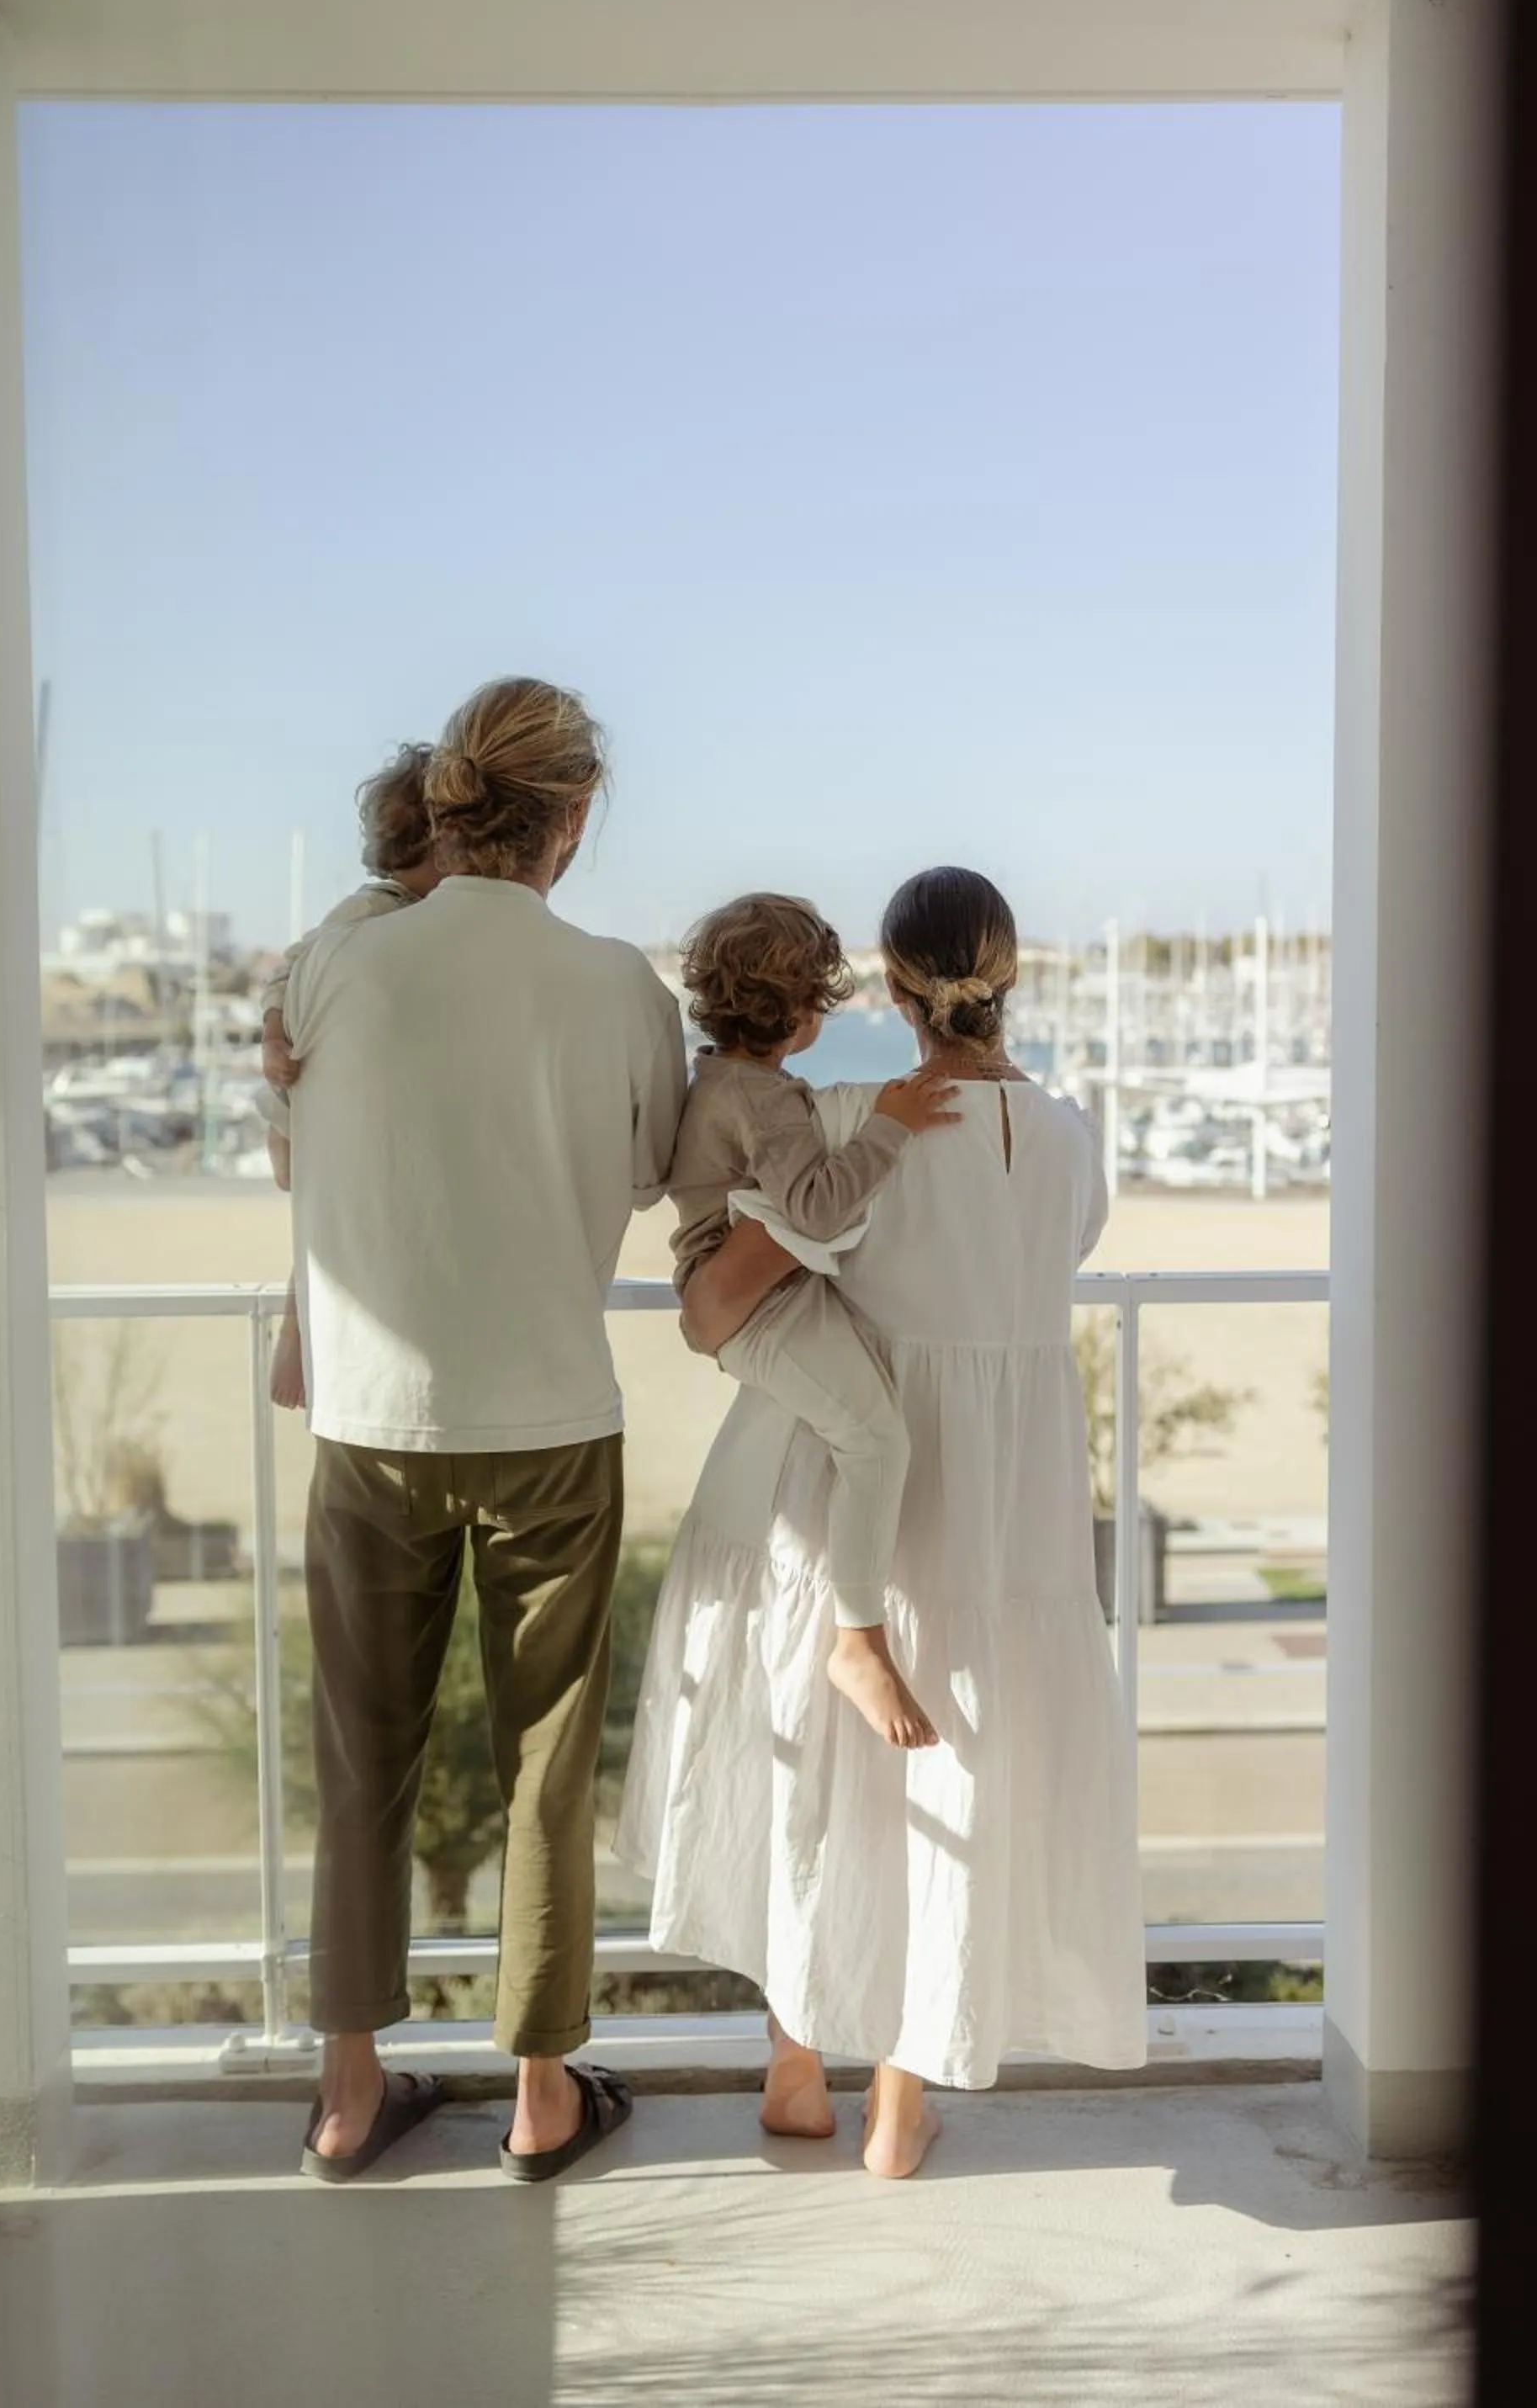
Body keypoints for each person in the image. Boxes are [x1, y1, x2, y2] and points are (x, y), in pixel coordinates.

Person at [618, 866, 1147, 2178]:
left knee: (817, 1774)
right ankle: (902, 2102)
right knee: (952, 1768)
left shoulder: (857, 1117)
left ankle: (796, 2067)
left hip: (838, 1478)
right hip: (1006, 1502)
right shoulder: (1072, 1138)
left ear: (896, 993)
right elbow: (1043, 1260)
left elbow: (725, 1296)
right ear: (1007, 978)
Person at [283, 677, 687, 2183]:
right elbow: (652, 1169)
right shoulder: (620, 986)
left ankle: (346, 2098)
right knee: (545, 1768)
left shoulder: (342, 958)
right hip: (549, 1420)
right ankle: (540, 2096)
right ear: (573, 820)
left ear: (451, 805)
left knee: (361, 1760)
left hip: (371, 1419)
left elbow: (296, 1105)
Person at [668, 893, 958, 1748]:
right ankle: (857, 1639)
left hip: (758, 1297)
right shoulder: (760, 1099)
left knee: (868, 1423)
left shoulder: (723, 1079)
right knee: (876, 1442)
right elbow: (820, 1208)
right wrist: (891, 1127)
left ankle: (859, 1627)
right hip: (758, 1308)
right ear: (796, 1012)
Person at [258, 742, 441, 1409]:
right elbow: (290, 969)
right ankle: (295, 1339)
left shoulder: (397, 914)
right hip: (297, 1089)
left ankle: (299, 1338)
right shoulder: (373, 915)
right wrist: (272, 1032)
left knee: (324, 1211)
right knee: (319, 1214)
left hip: (306, 1086)